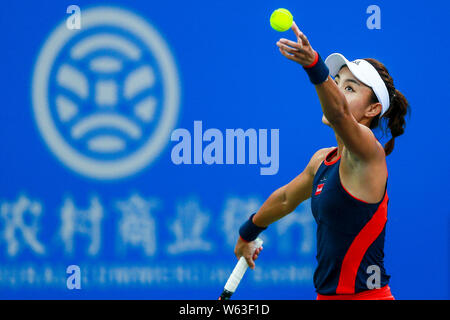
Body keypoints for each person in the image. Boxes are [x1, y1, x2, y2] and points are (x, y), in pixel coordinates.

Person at [234, 22, 410, 300]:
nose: (338, 92)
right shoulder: (322, 160)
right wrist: (247, 233)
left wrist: (315, 65)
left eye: (349, 89)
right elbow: (284, 200)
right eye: (337, 83)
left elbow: (339, 113)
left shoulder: (369, 153)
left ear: (373, 109)